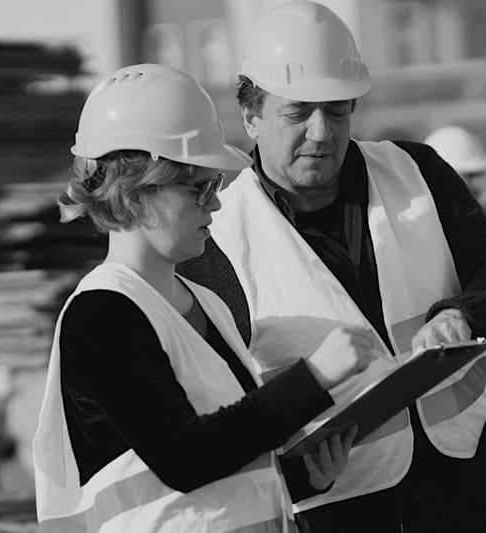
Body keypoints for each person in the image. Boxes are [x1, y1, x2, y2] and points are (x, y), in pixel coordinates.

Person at [178, 2, 486, 532]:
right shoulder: (217, 239)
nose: (323, 133)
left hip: (465, 462)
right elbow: (218, 433)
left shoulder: (415, 171)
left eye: (338, 110)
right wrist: (296, 475)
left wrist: (464, 314)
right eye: (299, 112)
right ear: (251, 115)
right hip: (341, 503)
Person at [32, 63, 378, 533]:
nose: (215, 203)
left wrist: (299, 478)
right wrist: (313, 378)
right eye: (199, 188)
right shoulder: (102, 315)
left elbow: (215, 473)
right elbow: (184, 458)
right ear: (136, 191)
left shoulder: (205, 303)